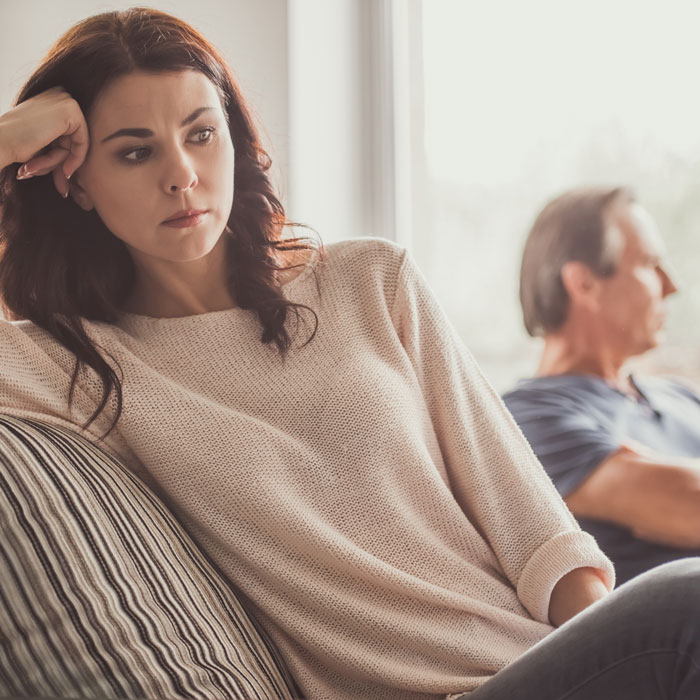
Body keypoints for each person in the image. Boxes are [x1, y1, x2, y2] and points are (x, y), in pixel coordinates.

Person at [0, 8, 698, 700]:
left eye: (201, 134)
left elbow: (538, 534)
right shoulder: (71, 366)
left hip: (547, 669)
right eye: (134, 150)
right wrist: (8, 138)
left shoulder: (371, 279)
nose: (182, 174)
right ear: (75, 181)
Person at [503, 186, 700, 585]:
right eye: (649, 264)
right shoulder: (526, 419)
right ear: (583, 284)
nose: (671, 284)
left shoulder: (682, 396)